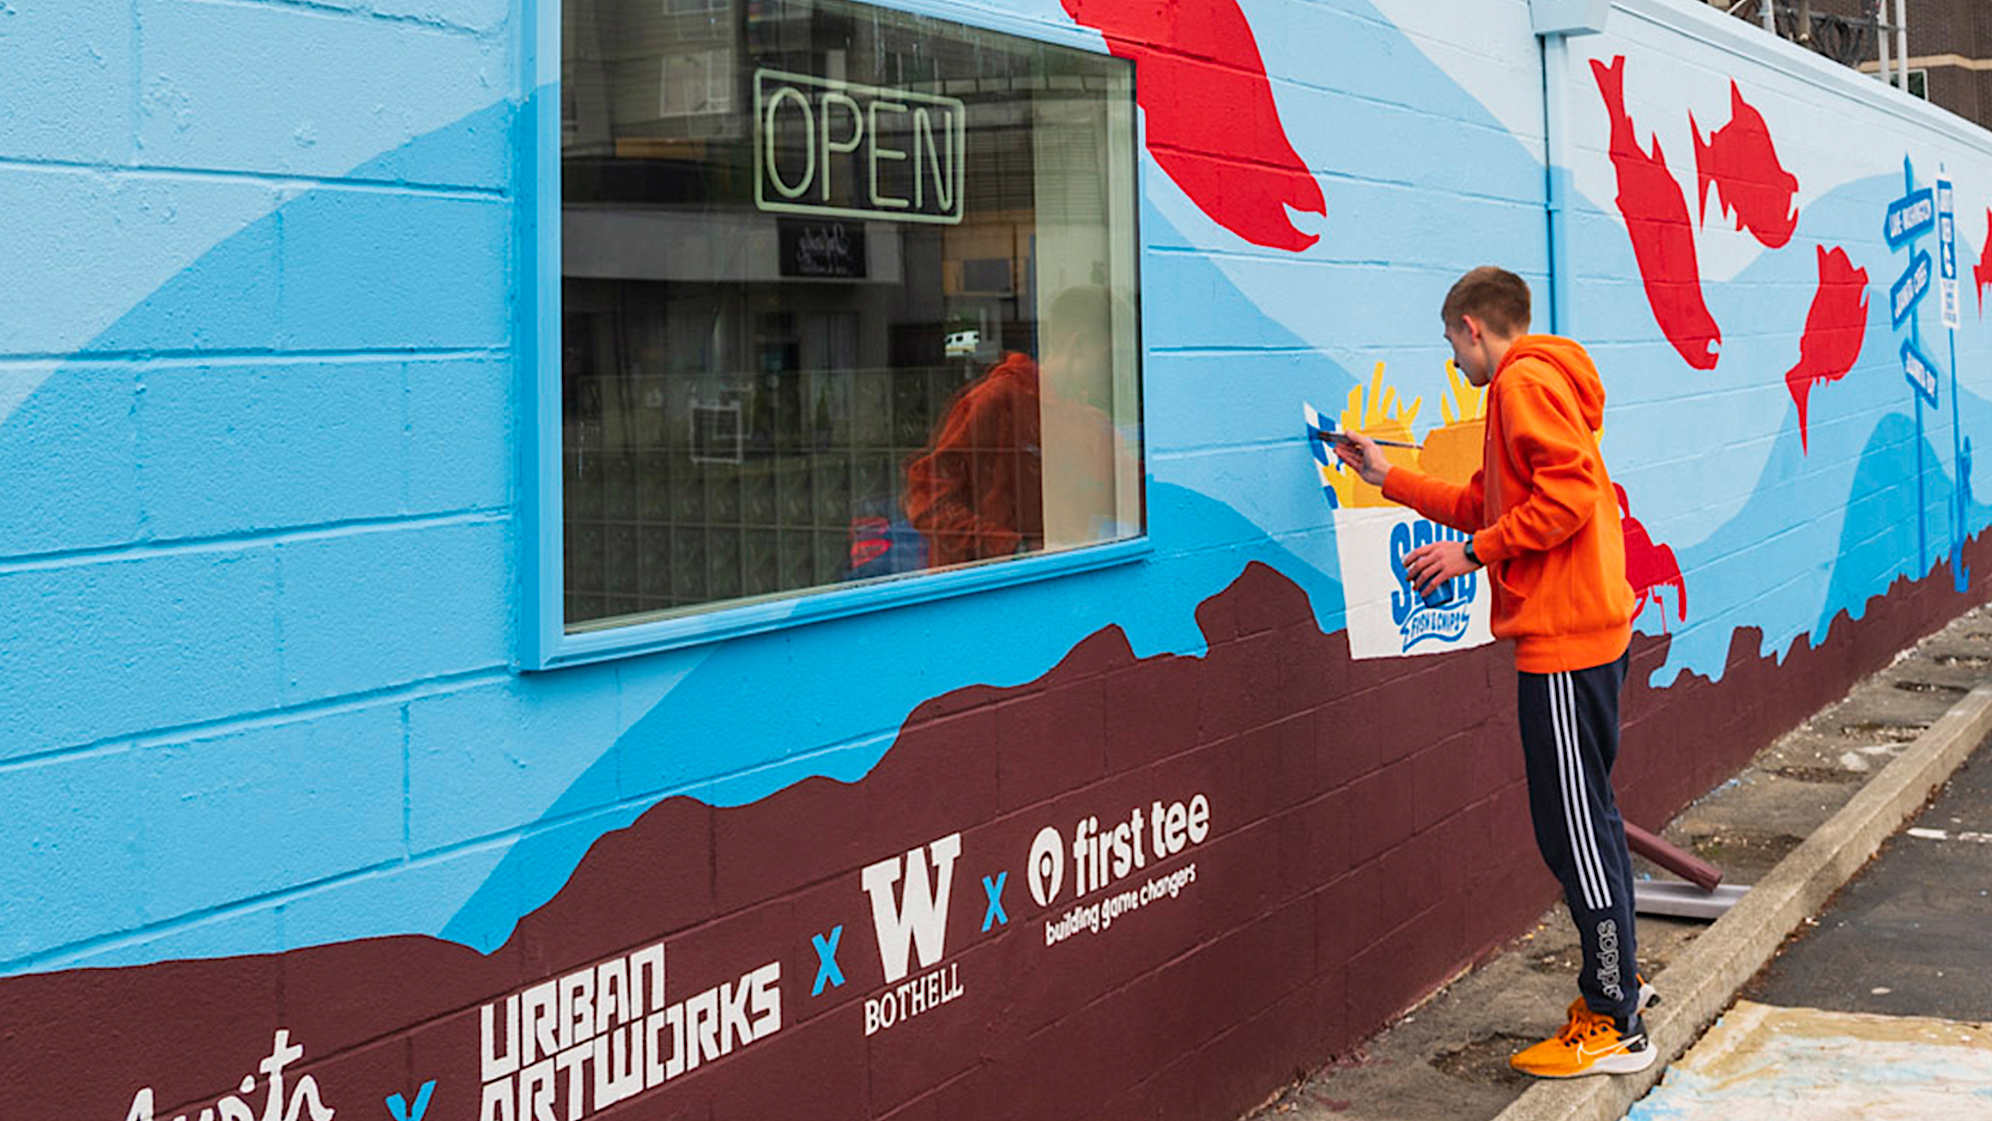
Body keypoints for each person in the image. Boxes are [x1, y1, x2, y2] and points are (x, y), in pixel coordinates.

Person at [1333, 266, 1654, 1078]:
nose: (1452, 361)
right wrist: (1385, 477)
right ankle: (1614, 993)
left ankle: (1615, 1021)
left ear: (1474, 326)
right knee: (1590, 824)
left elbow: (1571, 497)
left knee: (1575, 834)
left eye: (1450, 342)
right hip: (1584, 633)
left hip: (1564, 643)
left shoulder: (1521, 386)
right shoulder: (1534, 384)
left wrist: (1473, 556)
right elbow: (1491, 500)